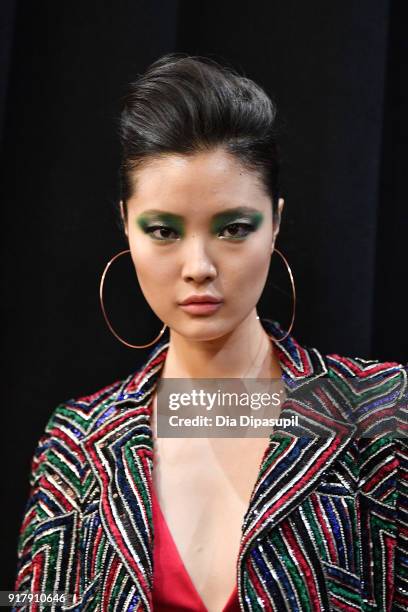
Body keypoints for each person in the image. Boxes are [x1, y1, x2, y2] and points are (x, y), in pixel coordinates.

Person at [13, 53, 407, 612]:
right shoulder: (75, 444)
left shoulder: (383, 415)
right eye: (164, 230)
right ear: (126, 224)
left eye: (233, 227)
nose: (198, 265)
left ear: (277, 222)